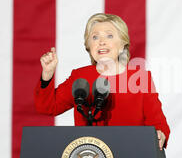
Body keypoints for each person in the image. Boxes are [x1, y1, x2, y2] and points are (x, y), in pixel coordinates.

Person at [34, 13, 170, 150]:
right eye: (95, 37)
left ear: (123, 44)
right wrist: (47, 74)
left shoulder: (140, 78)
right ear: (88, 46)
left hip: (131, 153)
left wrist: (160, 134)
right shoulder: (80, 76)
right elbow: (48, 107)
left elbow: (158, 123)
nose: (101, 41)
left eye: (109, 36)